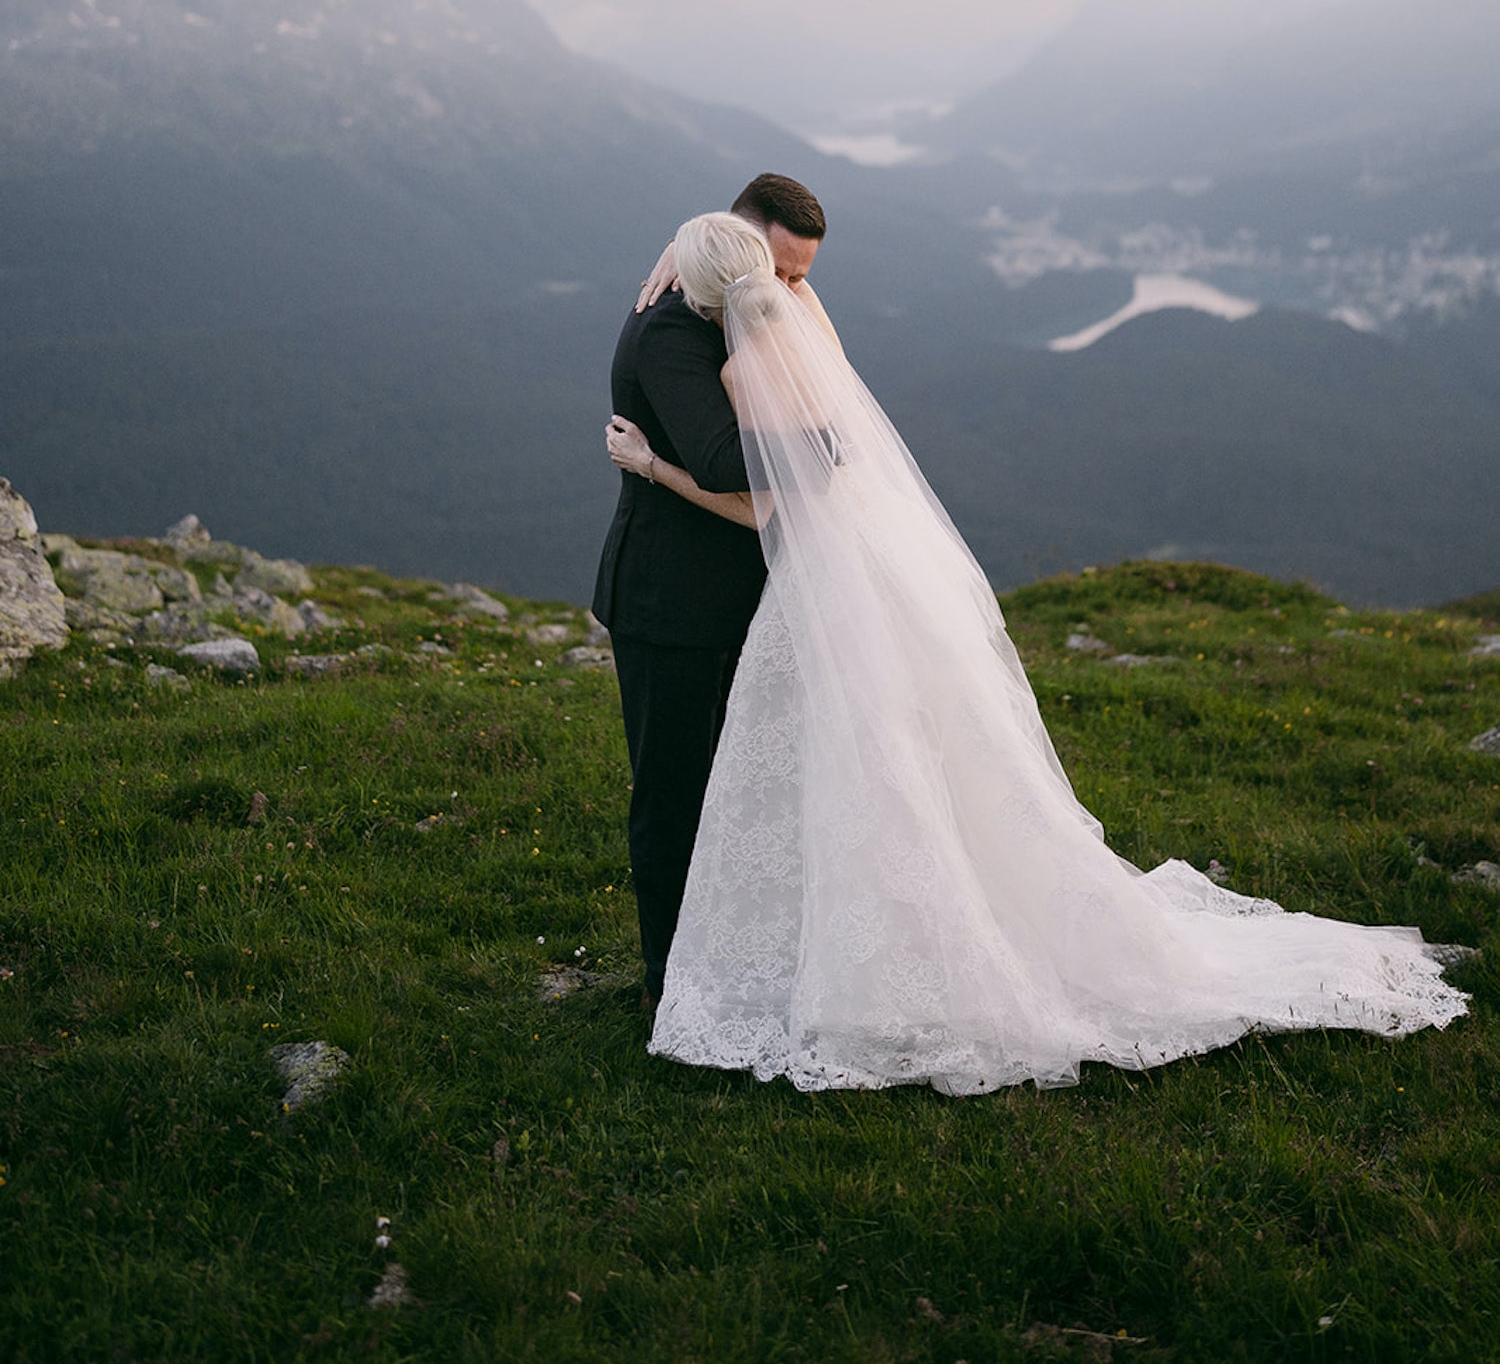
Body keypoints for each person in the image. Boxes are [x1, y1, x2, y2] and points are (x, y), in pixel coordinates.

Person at [605, 211, 1469, 1095]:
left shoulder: (746, 352)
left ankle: (762, 973)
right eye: (779, 270)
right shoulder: (795, 326)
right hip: (832, 591)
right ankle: (814, 954)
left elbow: (756, 499)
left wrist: (648, 464)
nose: (790, 281)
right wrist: (680, 245)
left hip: (803, 592)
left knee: (823, 784)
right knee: (859, 780)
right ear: (759, 267)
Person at [592, 175, 828, 1012]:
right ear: (741, 250)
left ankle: (732, 962)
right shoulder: (669, 333)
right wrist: (821, 444)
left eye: (798, 277)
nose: (791, 294)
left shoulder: (740, 304)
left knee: (742, 797)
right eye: (781, 273)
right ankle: (671, 988)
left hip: (737, 600)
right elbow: (728, 461)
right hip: (670, 605)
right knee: (674, 796)